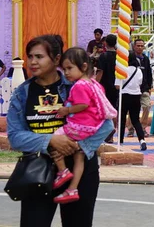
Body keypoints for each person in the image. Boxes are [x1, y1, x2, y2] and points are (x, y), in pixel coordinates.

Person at [7, 35, 113, 227]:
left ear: (56, 59)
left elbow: (106, 124)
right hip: (38, 171)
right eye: (30, 56)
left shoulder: (80, 86)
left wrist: (78, 146)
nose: (32, 62)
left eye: (39, 57)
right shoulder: (22, 93)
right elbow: (15, 137)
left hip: (79, 172)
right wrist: (50, 141)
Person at [52, 48, 117, 204]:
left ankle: (62, 171)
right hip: (92, 127)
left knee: (54, 139)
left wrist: (66, 110)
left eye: (69, 68)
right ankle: (72, 189)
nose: (66, 73)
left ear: (83, 67)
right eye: (64, 69)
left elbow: (82, 104)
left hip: (79, 126)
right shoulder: (94, 84)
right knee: (79, 156)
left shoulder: (79, 85)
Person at [115, 53, 147, 151]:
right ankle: (142, 140)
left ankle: (120, 142)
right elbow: (140, 83)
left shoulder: (121, 71)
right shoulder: (139, 71)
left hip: (124, 96)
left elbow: (117, 86)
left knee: (122, 120)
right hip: (136, 96)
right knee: (135, 120)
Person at [95, 34, 118, 143]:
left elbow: (100, 72)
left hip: (104, 86)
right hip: (116, 85)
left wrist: (95, 84)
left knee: (104, 110)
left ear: (106, 43)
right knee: (114, 109)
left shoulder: (103, 56)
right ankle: (113, 131)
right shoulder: (119, 56)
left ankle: (107, 131)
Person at [127, 39, 152, 138]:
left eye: (142, 46)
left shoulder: (145, 59)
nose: (140, 47)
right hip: (132, 89)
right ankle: (130, 129)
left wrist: (149, 86)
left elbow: (148, 73)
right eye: (138, 45)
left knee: (146, 106)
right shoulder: (130, 58)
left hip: (144, 88)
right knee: (131, 109)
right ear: (134, 46)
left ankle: (143, 127)